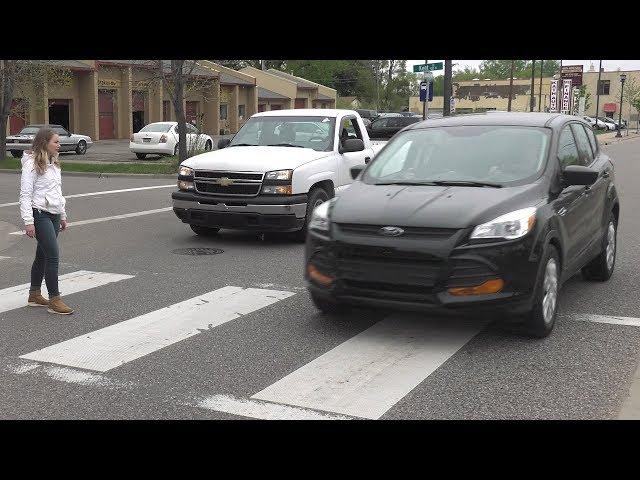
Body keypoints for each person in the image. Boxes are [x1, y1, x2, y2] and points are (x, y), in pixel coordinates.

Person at [19, 127, 73, 315]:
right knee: (53, 255)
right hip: (39, 213)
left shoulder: (54, 164)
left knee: (42, 255)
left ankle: (34, 294)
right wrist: (28, 221)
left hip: (54, 213)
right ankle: (54, 299)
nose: (59, 145)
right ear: (45, 143)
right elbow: (25, 195)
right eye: (56, 142)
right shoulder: (32, 164)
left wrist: (63, 215)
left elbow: (57, 193)